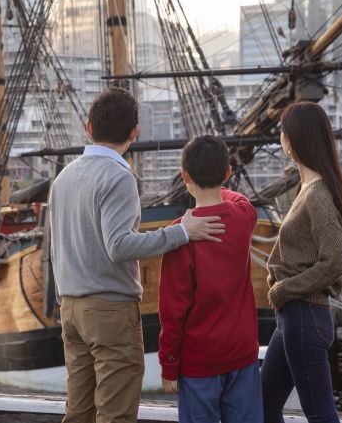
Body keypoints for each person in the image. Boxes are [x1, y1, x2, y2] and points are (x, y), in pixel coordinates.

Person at [49, 88, 226, 423]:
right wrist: (182, 232)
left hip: (71, 308)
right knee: (115, 415)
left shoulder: (63, 178)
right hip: (109, 312)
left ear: (89, 127)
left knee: (79, 414)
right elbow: (119, 245)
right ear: (134, 133)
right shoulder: (117, 177)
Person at [158, 135, 261, 423]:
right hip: (242, 354)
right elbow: (237, 199)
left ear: (184, 176)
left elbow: (172, 310)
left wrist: (168, 365)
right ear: (228, 173)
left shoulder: (181, 234)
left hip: (199, 362)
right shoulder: (243, 216)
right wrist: (219, 191)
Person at [261, 102, 342, 423]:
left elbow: (335, 261)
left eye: (283, 131)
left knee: (320, 413)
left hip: (304, 313)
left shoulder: (318, 195)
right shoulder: (308, 189)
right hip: (294, 317)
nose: (281, 138)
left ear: (294, 140)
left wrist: (286, 289)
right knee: (264, 405)